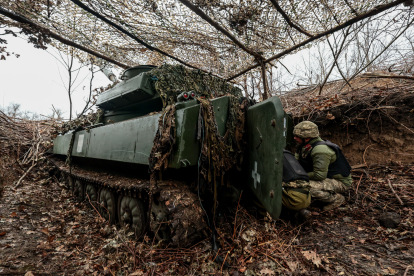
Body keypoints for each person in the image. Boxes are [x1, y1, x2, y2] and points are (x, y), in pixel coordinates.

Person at [293, 121, 352, 211]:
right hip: (326, 178)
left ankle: (336, 199)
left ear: (307, 138)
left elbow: (320, 175)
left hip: (340, 182)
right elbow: (296, 162)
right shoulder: (303, 146)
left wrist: (299, 176)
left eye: (297, 136)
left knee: (304, 186)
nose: (294, 138)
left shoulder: (320, 150)